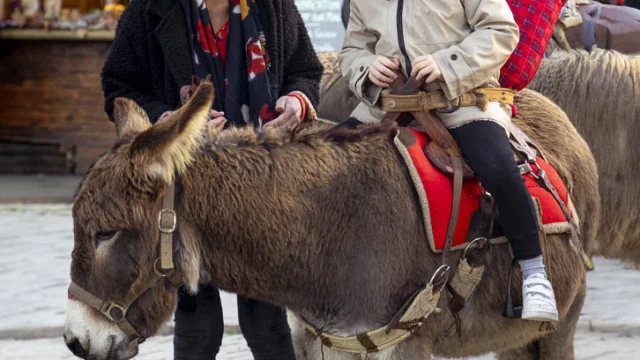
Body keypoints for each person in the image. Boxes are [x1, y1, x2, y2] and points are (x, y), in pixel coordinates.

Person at [101, 0, 324, 358]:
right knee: (197, 325)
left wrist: (297, 100)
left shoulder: (274, 6)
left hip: (261, 185)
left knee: (267, 322)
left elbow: (306, 70)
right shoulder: (148, 9)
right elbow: (118, 86)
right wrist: (170, 120)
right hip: (186, 193)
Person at [339, 0, 559, 321]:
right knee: (325, 162)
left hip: (462, 102)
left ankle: (534, 272)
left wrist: (447, 63)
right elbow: (353, 50)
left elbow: (501, 31)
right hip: (386, 107)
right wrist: (367, 67)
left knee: (499, 170)